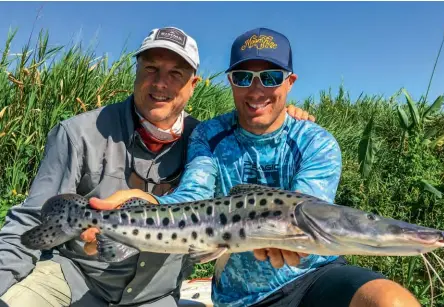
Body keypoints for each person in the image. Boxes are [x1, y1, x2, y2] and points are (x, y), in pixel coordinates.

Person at [86, 28, 422, 307]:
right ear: (231, 81)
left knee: (391, 301)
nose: (256, 90)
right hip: (239, 296)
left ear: (289, 82)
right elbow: (193, 196)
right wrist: (149, 206)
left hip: (313, 277)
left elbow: (307, 211)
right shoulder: (209, 135)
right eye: (244, 77)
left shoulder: (316, 141)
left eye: (271, 77)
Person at [0, 26, 312, 307]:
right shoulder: (77, 132)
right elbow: (29, 218)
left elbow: (256, 149)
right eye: (150, 68)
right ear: (135, 72)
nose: (160, 83)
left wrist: (286, 119)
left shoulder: (209, 141)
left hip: (155, 296)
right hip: (73, 278)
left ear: (193, 85)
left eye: (175, 73)